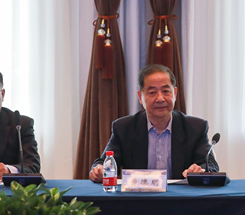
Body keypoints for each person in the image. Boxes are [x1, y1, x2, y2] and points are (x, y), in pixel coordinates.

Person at [90, 64, 218, 181]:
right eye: (152, 92)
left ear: (175, 93)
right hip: (139, 197)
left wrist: (200, 171)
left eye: (166, 91)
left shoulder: (195, 128)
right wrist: (99, 170)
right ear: (140, 97)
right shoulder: (124, 128)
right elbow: (105, 162)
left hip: (180, 196)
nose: (160, 98)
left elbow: (210, 165)